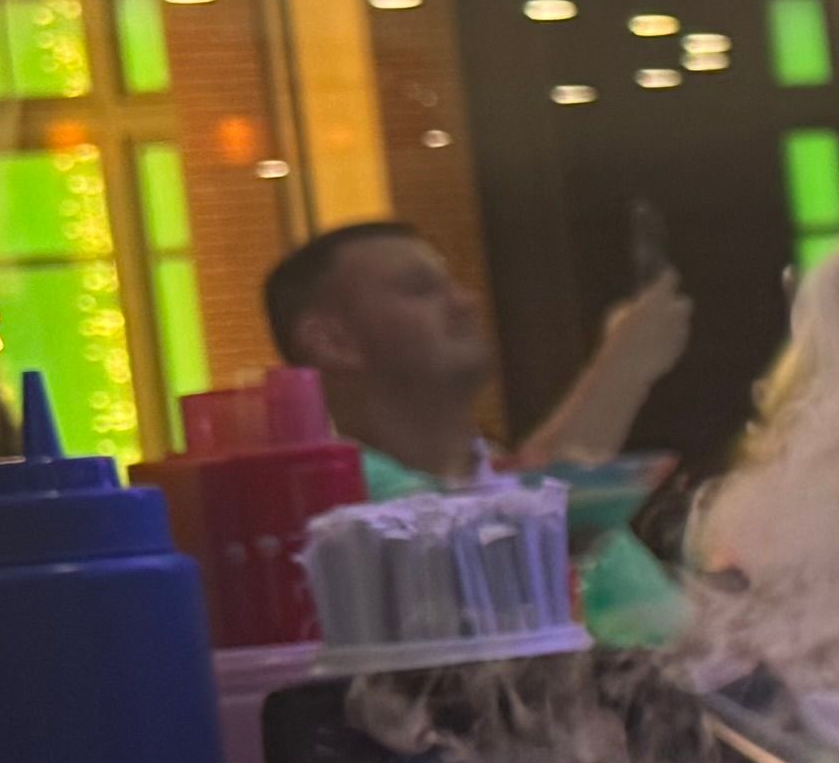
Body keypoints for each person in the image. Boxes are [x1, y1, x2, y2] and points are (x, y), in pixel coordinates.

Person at [261, 222, 692, 646]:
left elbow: (685, 643)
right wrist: (624, 366)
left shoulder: (507, 478)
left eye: (454, 285)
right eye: (420, 289)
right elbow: (494, 563)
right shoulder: (338, 494)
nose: (466, 302)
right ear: (333, 341)